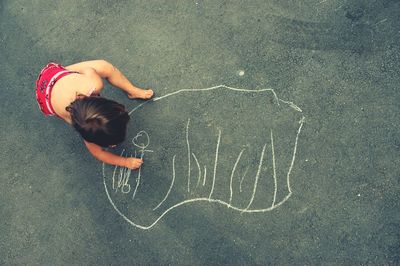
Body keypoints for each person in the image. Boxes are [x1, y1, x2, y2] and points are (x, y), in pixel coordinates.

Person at [35, 60, 153, 169]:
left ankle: (132, 91)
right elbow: (99, 153)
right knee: (69, 117)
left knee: (107, 67)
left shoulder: (93, 84)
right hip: (46, 94)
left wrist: (69, 72)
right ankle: (66, 74)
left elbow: (88, 69)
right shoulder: (84, 128)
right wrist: (125, 162)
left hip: (56, 74)